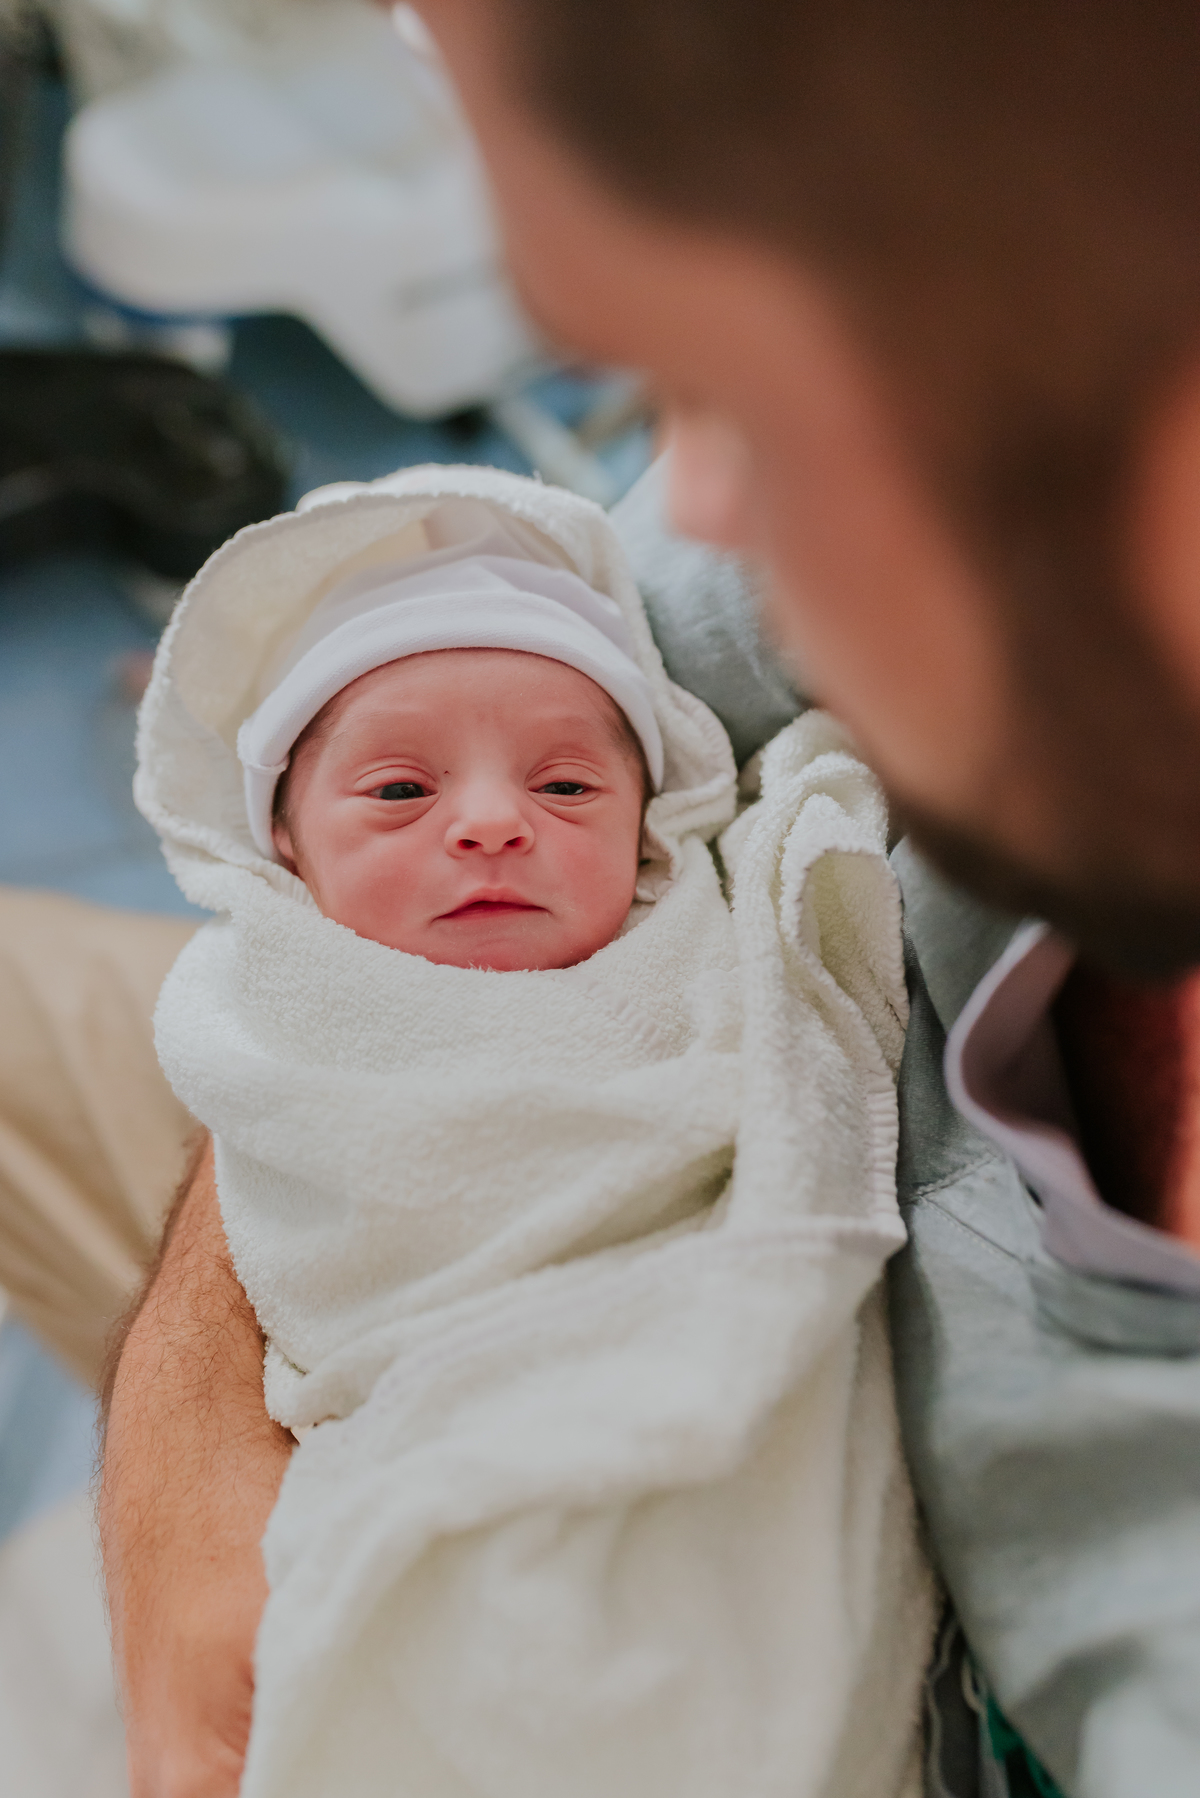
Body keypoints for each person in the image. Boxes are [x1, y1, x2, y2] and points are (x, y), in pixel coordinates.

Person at [89, 2, 1200, 1794]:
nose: (697, 503)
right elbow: (549, 674)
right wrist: (187, 1427)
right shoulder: (973, 462)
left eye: (765, 384)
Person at [138, 462, 931, 1798]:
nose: (497, 822)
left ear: (654, 819)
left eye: (569, 790)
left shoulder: (707, 937)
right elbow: (302, 1184)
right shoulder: (271, 1016)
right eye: (397, 792)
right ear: (278, 846)